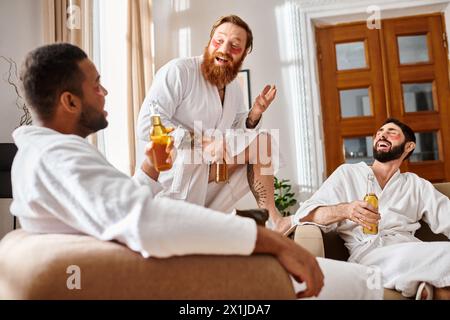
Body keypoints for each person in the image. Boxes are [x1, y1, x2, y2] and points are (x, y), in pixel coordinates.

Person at [11, 43, 383, 300]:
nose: (105, 91)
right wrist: (272, 241)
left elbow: (119, 211)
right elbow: (146, 222)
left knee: (260, 145)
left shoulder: (52, 153)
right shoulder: (59, 158)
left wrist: (149, 170)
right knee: (363, 283)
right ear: (69, 101)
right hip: (181, 266)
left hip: (175, 223)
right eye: (96, 85)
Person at [136, 15, 291, 234]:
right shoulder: (179, 72)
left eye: (235, 46)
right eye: (219, 41)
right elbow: (146, 124)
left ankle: (275, 220)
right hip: (170, 184)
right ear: (209, 43)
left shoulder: (234, 89)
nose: (225, 49)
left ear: (243, 55)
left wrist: (254, 113)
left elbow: (235, 131)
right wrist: (201, 141)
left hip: (206, 182)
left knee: (262, 142)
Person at [292, 118, 450, 300]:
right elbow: (305, 215)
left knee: (443, 291)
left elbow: (446, 216)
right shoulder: (348, 174)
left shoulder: (416, 185)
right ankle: (419, 282)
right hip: (369, 254)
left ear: (408, 146)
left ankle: (423, 287)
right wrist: (346, 210)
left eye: (391, 132)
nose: (382, 134)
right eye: (379, 132)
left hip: (410, 249)